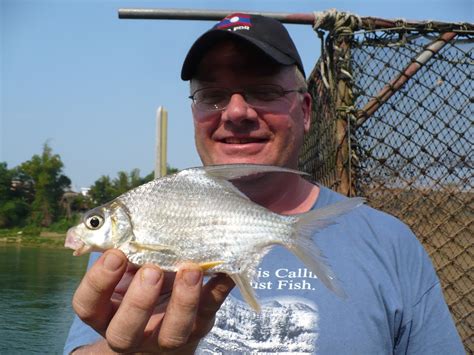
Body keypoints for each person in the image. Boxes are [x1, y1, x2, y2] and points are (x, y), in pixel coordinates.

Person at [64, 13, 464, 354]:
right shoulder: (125, 259)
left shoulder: (391, 243)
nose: (236, 111)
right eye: (212, 94)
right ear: (194, 113)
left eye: (264, 91)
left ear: (306, 111)